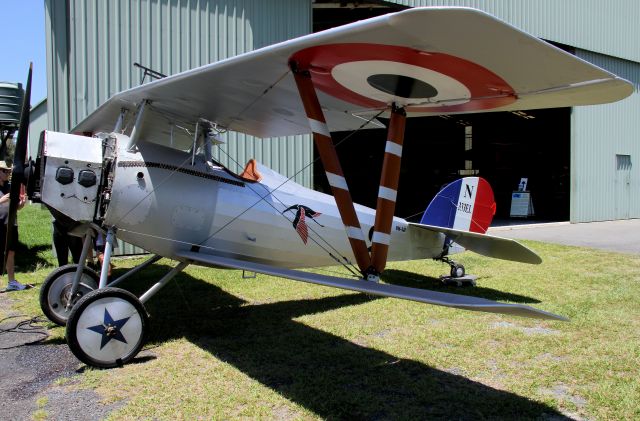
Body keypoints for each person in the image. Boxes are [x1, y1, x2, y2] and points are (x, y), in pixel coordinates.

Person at [0, 161, 30, 291]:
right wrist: (2, 200)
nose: (8, 173)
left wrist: (21, 204)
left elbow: (15, 207)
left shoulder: (10, 187)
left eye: (8, 171)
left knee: (10, 253)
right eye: (4, 171)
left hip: (11, 224)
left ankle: (11, 282)